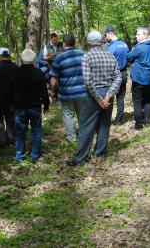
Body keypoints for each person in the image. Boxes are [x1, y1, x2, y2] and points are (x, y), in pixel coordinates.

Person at [66, 31, 121, 166]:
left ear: (89, 43)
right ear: (101, 41)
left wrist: (98, 98)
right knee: (104, 124)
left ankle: (80, 158)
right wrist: (108, 96)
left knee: (86, 125)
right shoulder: (110, 56)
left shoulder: (87, 56)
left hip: (93, 96)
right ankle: (100, 153)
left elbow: (88, 81)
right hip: (108, 94)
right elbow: (118, 78)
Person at [11, 49, 50, 163]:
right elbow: (43, 91)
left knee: (20, 132)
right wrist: (46, 104)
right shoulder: (38, 73)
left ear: (22, 59)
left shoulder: (15, 73)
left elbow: (11, 91)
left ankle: (20, 157)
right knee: (36, 131)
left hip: (19, 107)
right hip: (34, 107)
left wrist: (12, 104)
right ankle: (35, 156)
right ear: (33, 60)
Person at [49, 35, 86, 143]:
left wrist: (52, 91)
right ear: (74, 43)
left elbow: (54, 78)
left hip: (66, 93)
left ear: (64, 44)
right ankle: (84, 135)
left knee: (69, 116)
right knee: (82, 113)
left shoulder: (59, 58)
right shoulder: (83, 55)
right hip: (82, 91)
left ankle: (72, 138)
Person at [126, 26, 150, 130]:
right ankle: (148, 121)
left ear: (145, 35)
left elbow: (128, 56)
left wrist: (133, 49)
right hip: (149, 77)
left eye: (138, 34)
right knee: (148, 100)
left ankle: (138, 125)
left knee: (137, 101)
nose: (136, 36)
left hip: (139, 78)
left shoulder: (139, 47)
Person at [104, 25, 129, 124]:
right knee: (121, 97)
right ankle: (120, 119)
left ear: (110, 33)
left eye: (106, 35)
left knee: (109, 96)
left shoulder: (111, 47)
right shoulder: (124, 44)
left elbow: (107, 63)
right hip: (124, 73)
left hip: (114, 75)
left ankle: (106, 120)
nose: (106, 38)